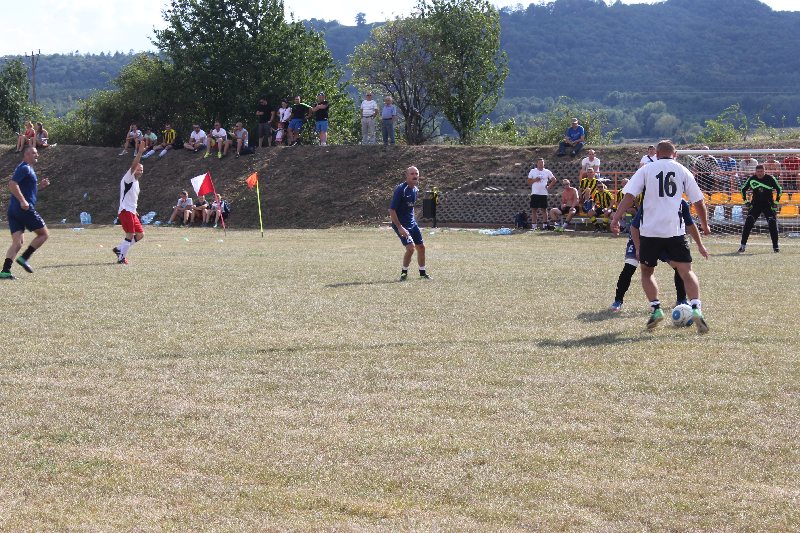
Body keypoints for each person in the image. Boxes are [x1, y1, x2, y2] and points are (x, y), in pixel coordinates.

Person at [611, 140, 711, 333]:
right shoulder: (683, 170)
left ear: (656, 154)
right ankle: (696, 308)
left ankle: (656, 308)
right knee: (686, 271)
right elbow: (698, 201)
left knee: (647, 272)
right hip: (675, 231)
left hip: (650, 231)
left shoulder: (646, 169)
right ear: (676, 154)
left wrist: (616, 218)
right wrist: (705, 225)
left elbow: (629, 196)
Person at [611, 200, 708, 312]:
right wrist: (638, 249)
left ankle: (681, 299)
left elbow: (690, 223)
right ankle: (618, 301)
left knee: (680, 267)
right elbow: (634, 227)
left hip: (665, 240)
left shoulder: (681, 203)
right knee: (630, 266)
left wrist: (700, 244)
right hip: (642, 238)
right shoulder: (651, 200)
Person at [1, 146, 51, 280]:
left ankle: (5, 271)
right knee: (44, 234)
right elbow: (12, 184)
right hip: (23, 209)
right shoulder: (24, 168)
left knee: (17, 242)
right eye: (34, 153)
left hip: (13, 210)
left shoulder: (27, 168)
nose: (37, 155)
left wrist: (40, 186)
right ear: (26, 155)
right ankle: (24, 258)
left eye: (37, 153)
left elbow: (27, 189)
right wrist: (23, 201)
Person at [389, 166, 430, 281]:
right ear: (406, 176)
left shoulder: (415, 190)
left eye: (416, 173)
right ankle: (404, 274)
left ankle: (422, 274)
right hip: (401, 225)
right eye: (412, 174)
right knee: (411, 248)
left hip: (412, 224)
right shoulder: (401, 190)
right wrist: (400, 227)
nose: (414, 176)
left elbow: (409, 208)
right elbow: (392, 210)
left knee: (421, 247)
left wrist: (413, 221)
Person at [112, 140, 147, 265]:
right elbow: (133, 166)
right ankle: (121, 258)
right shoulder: (128, 178)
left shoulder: (136, 182)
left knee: (140, 234)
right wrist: (140, 152)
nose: (140, 171)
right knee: (130, 234)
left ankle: (119, 249)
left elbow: (132, 198)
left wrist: (135, 210)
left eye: (142, 170)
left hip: (132, 211)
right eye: (138, 169)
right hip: (125, 210)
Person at [737, 164, 782, 253]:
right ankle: (742, 246)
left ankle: (776, 247)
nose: (760, 173)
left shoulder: (770, 178)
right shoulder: (752, 179)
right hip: (755, 205)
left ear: (764, 171)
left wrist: (776, 202)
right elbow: (743, 189)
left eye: (761, 171)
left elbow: (779, 189)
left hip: (768, 205)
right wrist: (746, 201)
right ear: (755, 172)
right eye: (758, 171)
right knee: (748, 223)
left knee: (772, 223)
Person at [527, 157, 557, 230]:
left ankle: (545, 225)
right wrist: (535, 180)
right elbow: (529, 181)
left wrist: (549, 187)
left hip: (543, 193)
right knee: (534, 210)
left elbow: (554, 180)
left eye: (542, 163)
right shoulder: (533, 171)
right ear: (537, 163)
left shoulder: (547, 171)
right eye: (540, 163)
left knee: (544, 209)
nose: (541, 164)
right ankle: (534, 226)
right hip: (535, 193)